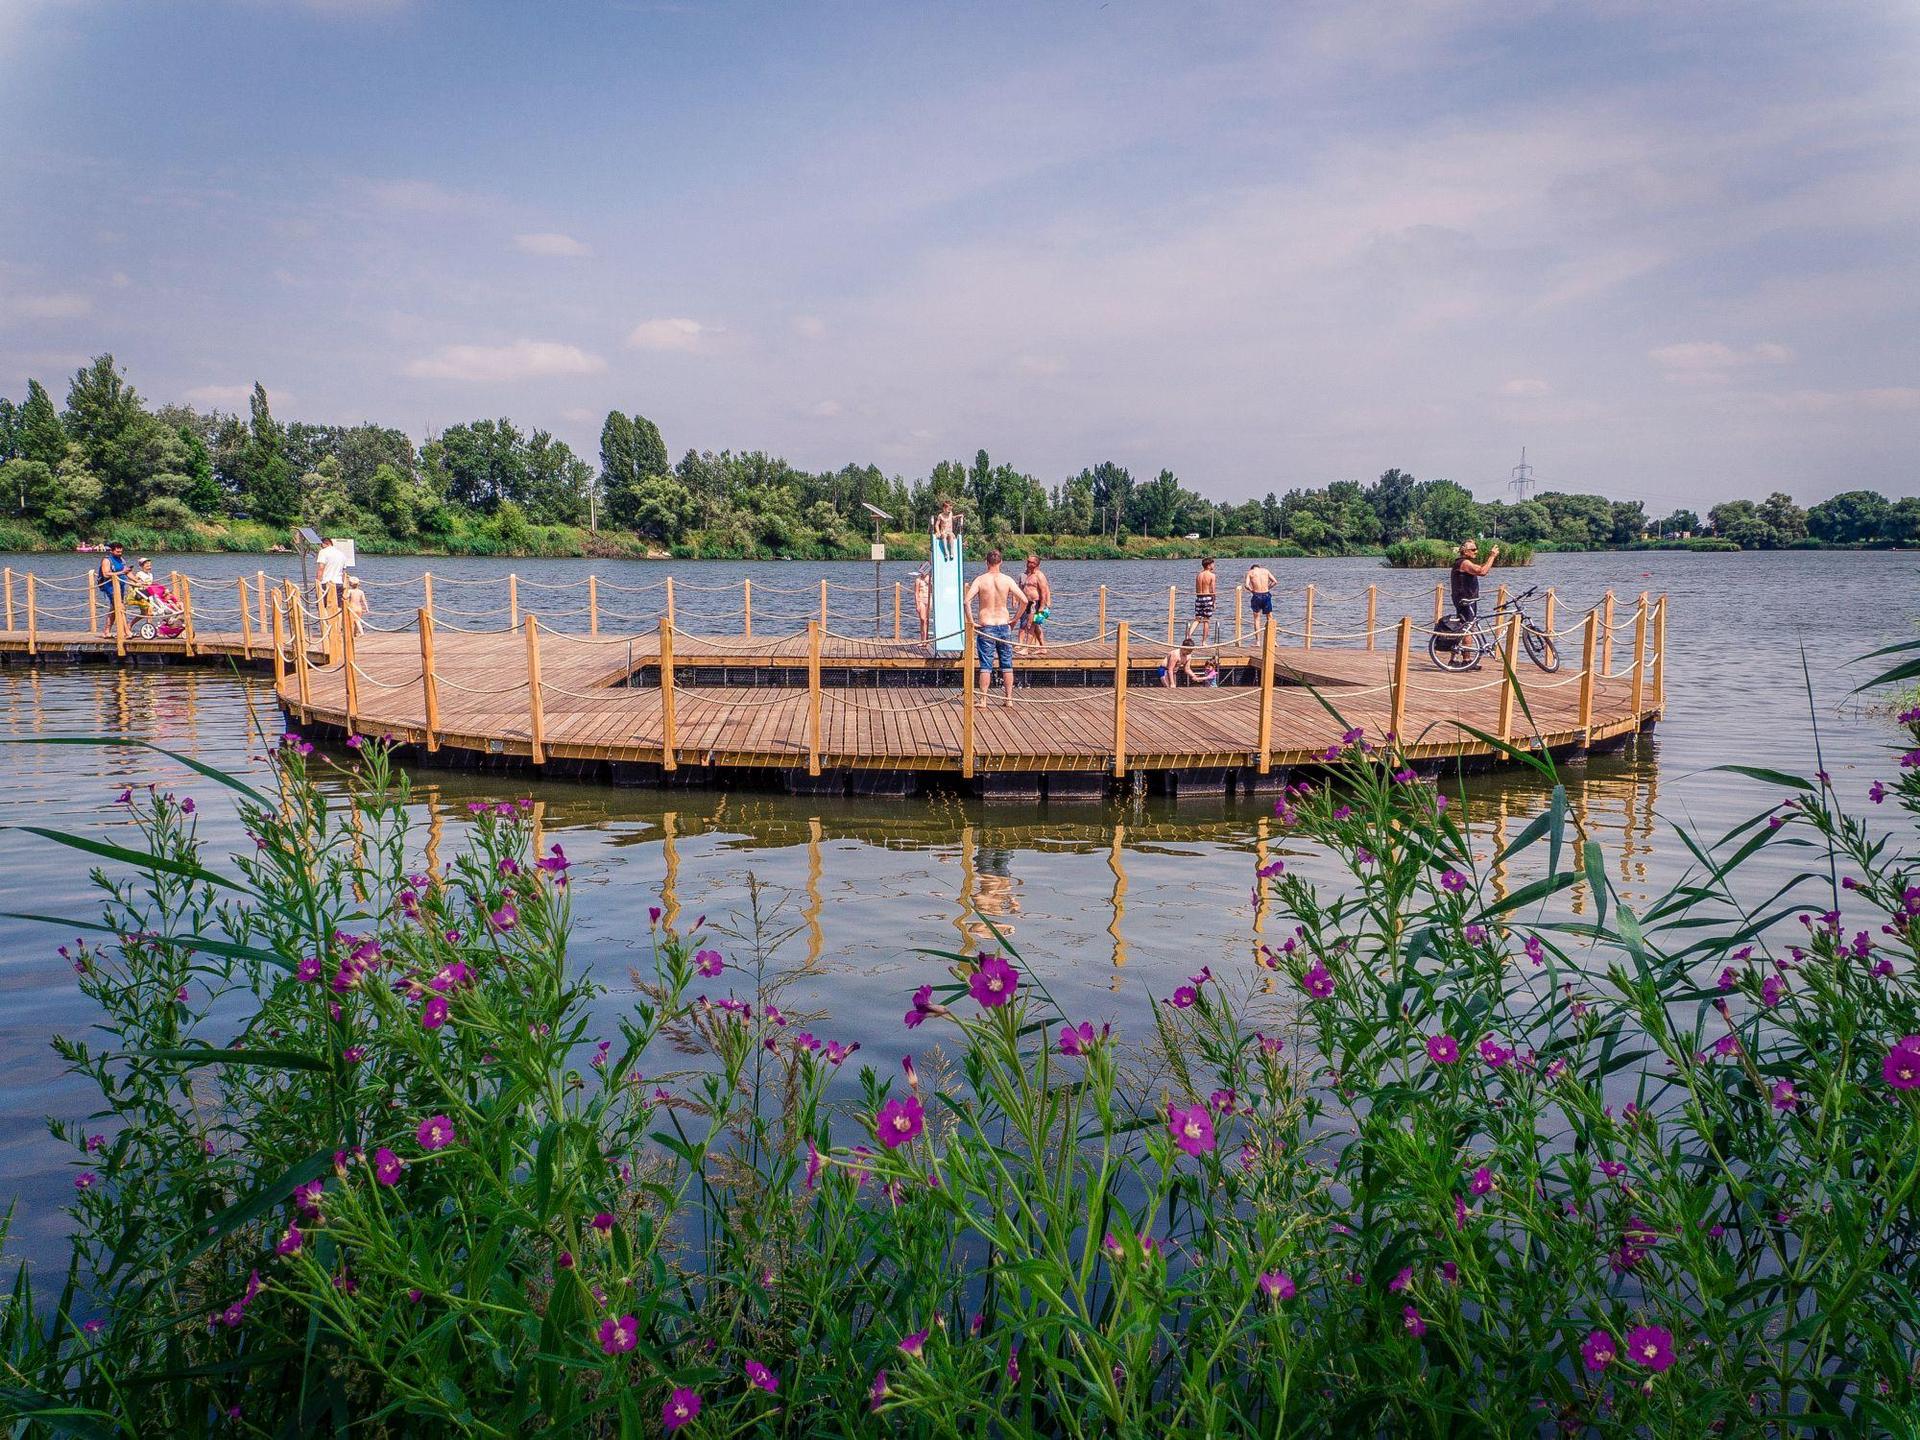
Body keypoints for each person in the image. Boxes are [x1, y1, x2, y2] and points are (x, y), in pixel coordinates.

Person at [964, 548, 1025, 706]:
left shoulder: (980, 580)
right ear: (1001, 562)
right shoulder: (1007, 580)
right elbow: (1024, 600)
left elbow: (966, 602)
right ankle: (1009, 699)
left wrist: (971, 622)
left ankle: (983, 699)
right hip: (1004, 625)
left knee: (986, 664)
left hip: (986, 626)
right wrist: (1015, 620)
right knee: (1007, 663)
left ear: (986, 562)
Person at [1450, 538, 1500, 669]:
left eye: (1476, 549)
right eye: (1473, 549)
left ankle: (1453, 658)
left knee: (1463, 627)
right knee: (1468, 628)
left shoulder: (1462, 562)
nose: (1476, 551)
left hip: (1465, 599)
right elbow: (1482, 571)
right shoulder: (1464, 563)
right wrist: (1492, 557)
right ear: (1464, 551)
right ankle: (1467, 660)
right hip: (1466, 601)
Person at [1015, 554, 1052, 651]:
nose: (1028, 564)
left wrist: (1042, 607)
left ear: (1036, 564)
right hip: (1028, 603)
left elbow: (1044, 591)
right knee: (1035, 627)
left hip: (1035, 604)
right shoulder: (1029, 574)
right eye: (1027, 561)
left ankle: (1026, 649)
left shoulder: (1039, 575)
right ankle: (1043, 648)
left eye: (1030, 562)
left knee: (1031, 625)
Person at [94, 542, 126, 634]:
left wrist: (136, 581)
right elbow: (106, 574)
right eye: (117, 550)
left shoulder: (121, 560)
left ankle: (106, 631)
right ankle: (126, 631)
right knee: (120, 607)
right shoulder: (107, 560)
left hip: (121, 586)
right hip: (110, 587)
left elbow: (126, 572)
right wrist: (121, 572)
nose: (120, 552)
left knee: (114, 609)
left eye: (121, 550)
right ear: (112, 551)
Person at [1244, 562, 1276, 639]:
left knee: (1257, 619)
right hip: (1266, 595)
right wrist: (1268, 588)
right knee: (1269, 617)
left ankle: (1258, 641)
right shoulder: (1266, 571)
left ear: (1252, 568)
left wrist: (1252, 591)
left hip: (1257, 595)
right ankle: (1273, 640)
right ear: (1259, 567)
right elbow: (1275, 581)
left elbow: (1246, 585)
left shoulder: (1250, 572)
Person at [315, 536, 346, 613]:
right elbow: (343, 571)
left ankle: (327, 624)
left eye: (321, 545)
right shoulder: (341, 554)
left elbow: (321, 568)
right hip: (339, 583)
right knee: (338, 606)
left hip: (326, 582)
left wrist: (317, 581)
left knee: (324, 606)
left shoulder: (323, 552)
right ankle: (338, 624)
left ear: (326, 543)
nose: (321, 547)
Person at [1193, 557, 1218, 644]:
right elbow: (1213, 590)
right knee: (1206, 620)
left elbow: (1196, 589)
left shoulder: (1198, 575)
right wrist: (1214, 601)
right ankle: (1204, 641)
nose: (1214, 566)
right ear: (1208, 565)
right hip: (1207, 597)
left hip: (1199, 598)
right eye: (1212, 564)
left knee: (1197, 619)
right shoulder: (1212, 575)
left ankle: (1188, 635)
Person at [912, 562, 933, 646]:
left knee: (927, 620)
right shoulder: (918, 580)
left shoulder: (930, 579)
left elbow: (932, 590)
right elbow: (916, 593)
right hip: (921, 600)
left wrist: (929, 583)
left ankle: (926, 640)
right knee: (922, 619)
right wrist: (917, 604)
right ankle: (922, 640)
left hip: (928, 600)